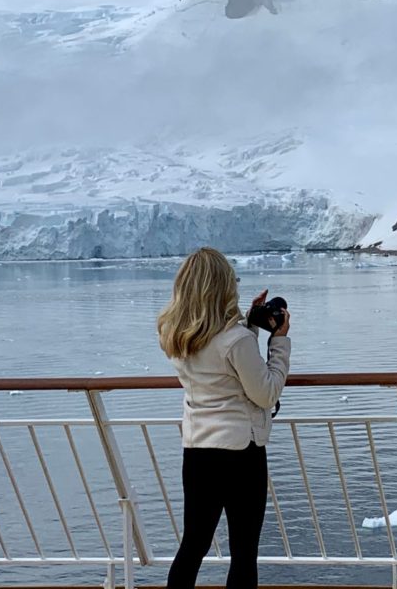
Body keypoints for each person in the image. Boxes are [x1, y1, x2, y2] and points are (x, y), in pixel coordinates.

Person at [157, 246, 291, 589]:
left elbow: (223, 363)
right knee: (243, 552)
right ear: (222, 287)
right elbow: (266, 392)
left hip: (198, 451)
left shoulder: (177, 336)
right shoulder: (236, 341)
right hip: (241, 455)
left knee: (193, 546)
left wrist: (249, 323)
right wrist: (279, 342)